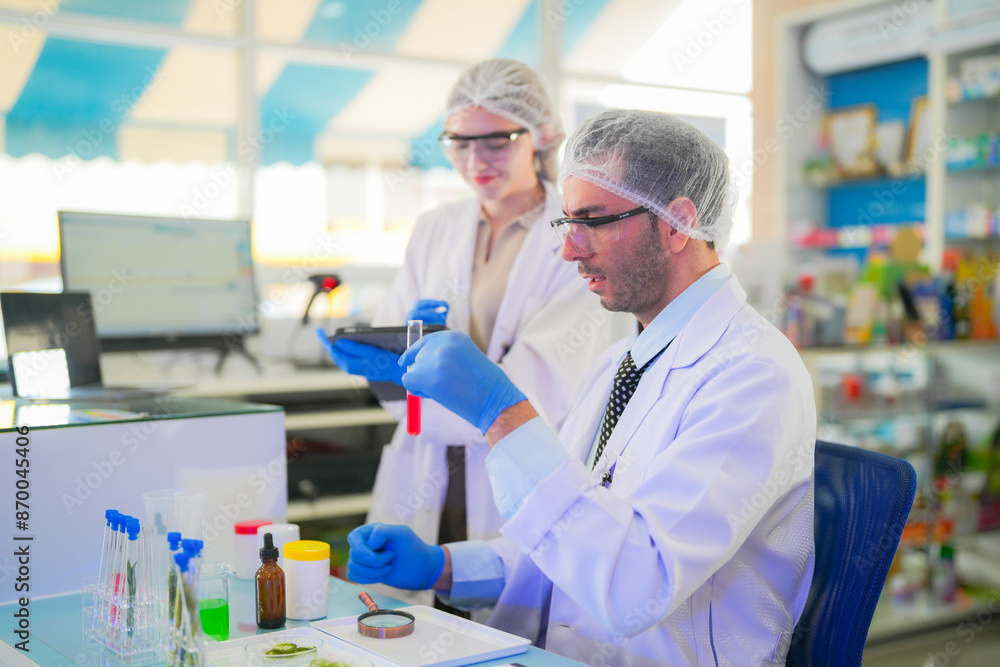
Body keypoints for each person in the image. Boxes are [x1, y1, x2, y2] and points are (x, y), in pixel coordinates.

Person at [345, 109, 817, 666]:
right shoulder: (623, 361)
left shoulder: (750, 375)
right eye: (567, 223)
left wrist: (503, 414)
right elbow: (573, 530)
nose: (570, 250)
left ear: (676, 221)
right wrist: (443, 565)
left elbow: (636, 585)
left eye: (593, 221)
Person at [318, 59, 617, 612]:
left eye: (497, 141)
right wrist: (383, 366)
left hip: (514, 467)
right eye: (459, 143)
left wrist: (420, 378)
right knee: (406, 624)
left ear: (540, 135)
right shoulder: (435, 227)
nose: (475, 160)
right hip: (425, 463)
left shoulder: (577, 232)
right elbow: (398, 374)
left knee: (500, 623)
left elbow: (543, 388)